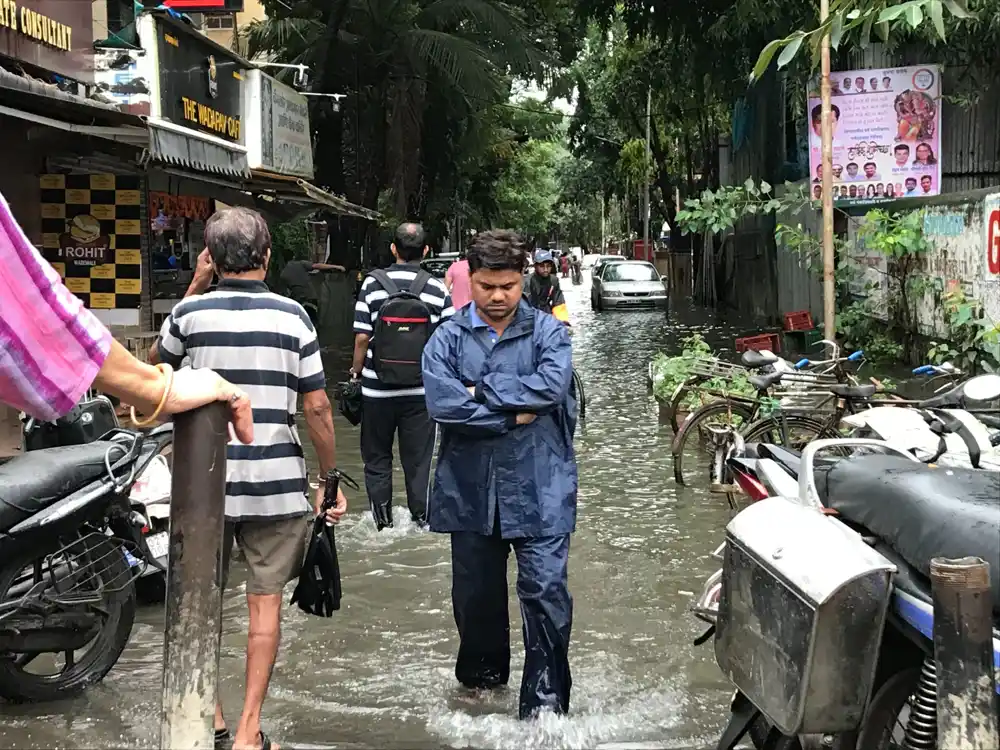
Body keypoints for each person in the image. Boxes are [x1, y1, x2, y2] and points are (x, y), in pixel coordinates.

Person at [153, 207, 346, 750]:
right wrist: (328, 482)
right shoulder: (294, 318)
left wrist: (194, 284)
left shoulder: (188, 316)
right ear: (267, 256)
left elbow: (153, 373)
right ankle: (247, 732)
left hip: (201, 483)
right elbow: (317, 408)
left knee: (200, 603)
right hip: (276, 482)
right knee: (263, 606)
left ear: (211, 258)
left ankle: (208, 719)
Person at [421, 229, 577, 721]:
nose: (497, 296)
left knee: (547, 591)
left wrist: (479, 391)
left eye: (508, 285)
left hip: (541, 485)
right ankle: (483, 689)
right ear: (472, 278)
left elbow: (550, 389)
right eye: (487, 285)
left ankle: (545, 705)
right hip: (469, 489)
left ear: (522, 278)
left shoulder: (549, 333)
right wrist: (510, 413)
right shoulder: (446, 337)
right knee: (475, 599)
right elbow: (443, 403)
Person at [0, 189, 252, 441]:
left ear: (211, 260)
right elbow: (36, 311)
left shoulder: (189, 310)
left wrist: (155, 388)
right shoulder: (291, 313)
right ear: (267, 255)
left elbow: (156, 355)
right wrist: (155, 389)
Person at [352, 223, 453, 528]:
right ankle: (421, 521)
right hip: (420, 395)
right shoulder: (437, 289)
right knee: (419, 463)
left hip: (376, 392)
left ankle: (382, 524)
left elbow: (360, 338)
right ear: (425, 252)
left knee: (377, 459)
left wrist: (356, 373)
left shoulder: (371, 285)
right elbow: (446, 341)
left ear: (393, 249)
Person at [279, 258, 346, 324]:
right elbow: (317, 266)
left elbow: (285, 294)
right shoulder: (300, 263)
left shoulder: (282, 274)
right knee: (313, 323)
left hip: (299, 302)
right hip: (310, 298)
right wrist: (336, 266)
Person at [523, 249, 569, 324]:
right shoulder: (527, 281)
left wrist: (562, 321)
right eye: (542, 266)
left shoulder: (554, 280)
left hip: (546, 313)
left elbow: (558, 302)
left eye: (548, 266)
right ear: (535, 266)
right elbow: (524, 305)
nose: (545, 269)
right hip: (530, 315)